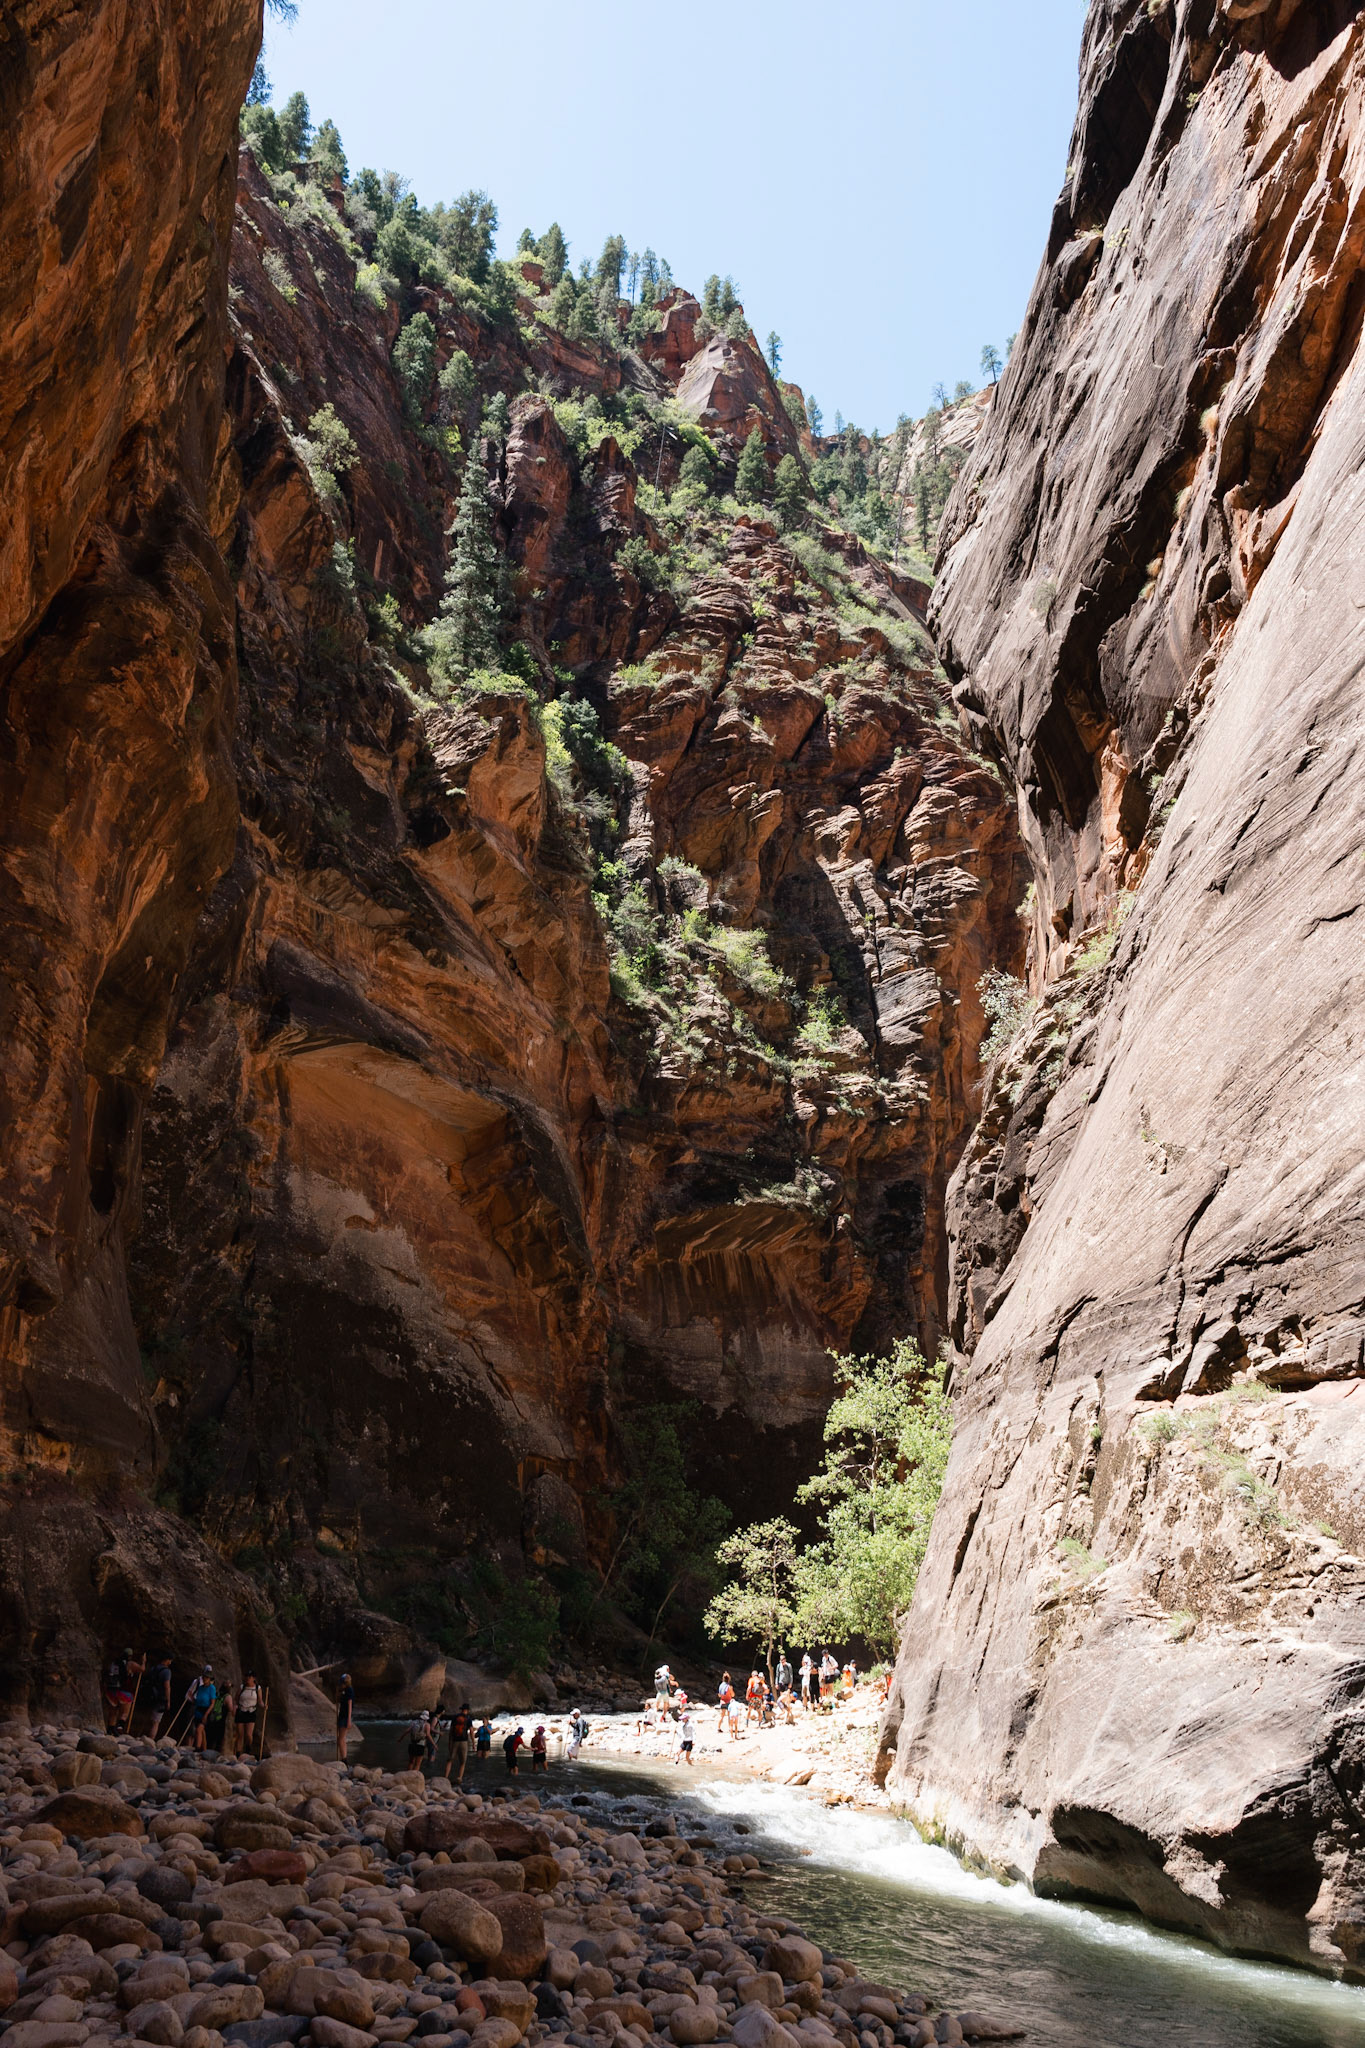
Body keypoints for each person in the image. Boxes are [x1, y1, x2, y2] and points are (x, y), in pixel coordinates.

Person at [186, 1666, 216, 1750]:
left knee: (199, 1730)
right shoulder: (200, 1687)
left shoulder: (212, 1688)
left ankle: (198, 1748)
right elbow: (197, 1700)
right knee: (201, 1731)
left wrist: (206, 1715)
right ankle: (203, 1748)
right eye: (204, 1677)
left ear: (209, 1679)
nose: (205, 1679)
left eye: (207, 1677)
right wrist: (192, 1697)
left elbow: (212, 1703)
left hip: (206, 1710)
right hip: (198, 1710)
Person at [445, 1702, 472, 1782]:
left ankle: (446, 1777)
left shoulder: (455, 1717)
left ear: (462, 1709)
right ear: (467, 1710)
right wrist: (473, 1743)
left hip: (454, 1741)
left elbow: (451, 1730)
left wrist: (450, 1741)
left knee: (450, 1760)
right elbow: (471, 1731)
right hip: (464, 1741)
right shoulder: (468, 1719)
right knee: (462, 1762)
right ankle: (459, 1778)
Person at [147, 1656, 173, 1740]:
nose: (170, 1663)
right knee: (156, 1722)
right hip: (160, 1698)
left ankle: (146, 1737)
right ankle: (151, 1739)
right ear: (167, 1660)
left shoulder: (153, 1668)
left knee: (151, 1719)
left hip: (150, 1696)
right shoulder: (166, 1671)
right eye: (170, 1660)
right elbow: (167, 1686)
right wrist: (168, 1701)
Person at [236, 1672, 260, 1755]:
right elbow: (236, 1698)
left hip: (251, 1711)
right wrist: (235, 1706)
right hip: (241, 1711)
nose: (247, 1678)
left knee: (249, 1735)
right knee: (240, 1734)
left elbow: (260, 1701)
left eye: (250, 1677)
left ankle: (248, 1749)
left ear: (254, 1678)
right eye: (246, 1676)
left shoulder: (257, 1688)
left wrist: (264, 1706)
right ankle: (238, 1753)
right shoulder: (242, 1687)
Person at [336, 1672, 355, 1761]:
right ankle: (343, 1757)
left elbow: (350, 1705)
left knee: (341, 1739)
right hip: (342, 1715)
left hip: (345, 1717)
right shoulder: (344, 1690)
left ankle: (344, 1759)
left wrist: (349, 1720)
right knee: (342, 1739)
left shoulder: (349, 1690)